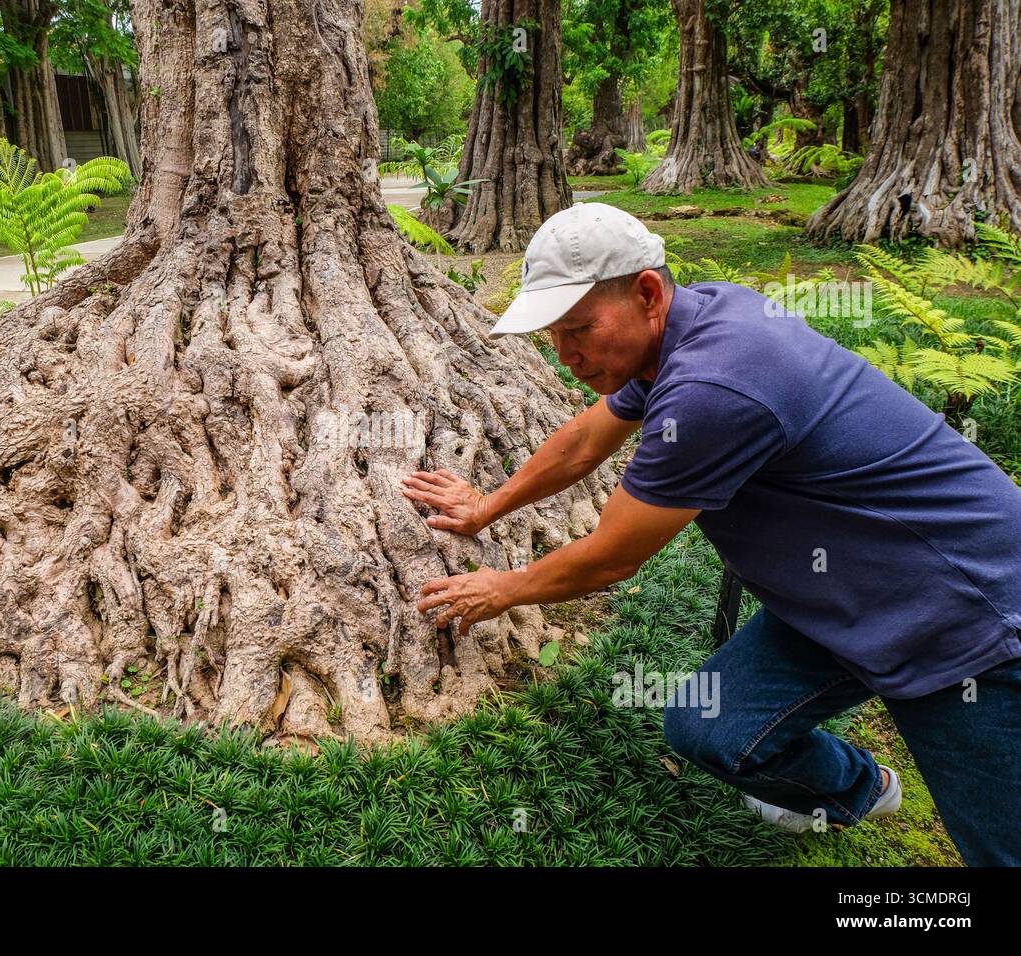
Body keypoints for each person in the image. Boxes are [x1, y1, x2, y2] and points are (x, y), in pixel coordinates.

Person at [401, 202, 1021, 865]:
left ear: (645, 293)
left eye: (579, 328)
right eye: (554, 334)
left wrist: (501, 589)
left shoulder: (711, 388)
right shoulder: (687, 327)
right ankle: (863, 789)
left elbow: (611, 558)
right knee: (712, 729)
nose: (567, 355)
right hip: (846, 593)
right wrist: (487, 506)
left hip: (964, 611)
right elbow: (586, 440)